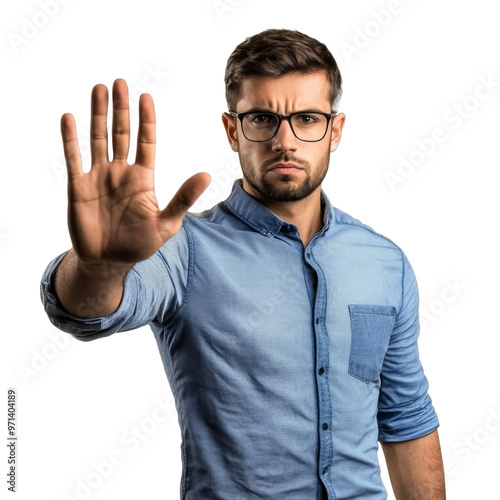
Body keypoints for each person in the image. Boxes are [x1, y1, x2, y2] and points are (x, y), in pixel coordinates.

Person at [41, 29, 445, 499]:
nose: (285, 141)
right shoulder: (183, 248)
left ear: (334, 130)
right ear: (233, 130)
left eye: (308, 119)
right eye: (262, 119)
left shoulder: (384, 263)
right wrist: (100, 265)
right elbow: (84, 314)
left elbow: (405, 417)